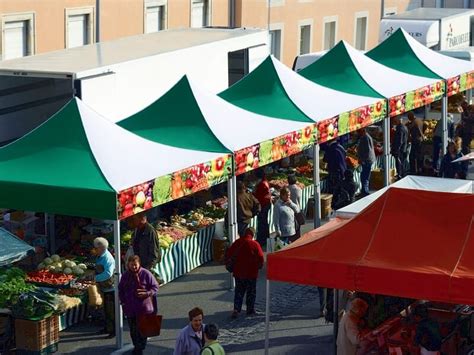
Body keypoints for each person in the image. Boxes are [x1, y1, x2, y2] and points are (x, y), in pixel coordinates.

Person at [118, 255, 159, 355]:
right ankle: (137, 346)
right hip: (130, 308)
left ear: (139, 264)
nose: (134, 267)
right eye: (132, 265)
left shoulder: (146, 274)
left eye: (135, 265)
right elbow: (121, 290)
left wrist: (147, 293)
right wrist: (123, 301)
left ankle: (140, 347)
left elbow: (155, 287)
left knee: (143, 329)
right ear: (128, 265)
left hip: (143, 308)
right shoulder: (125, 276)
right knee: (133, 330)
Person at [226, 228, 264, 319]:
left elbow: (229, 254)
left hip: (238, 272)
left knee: (239, 291)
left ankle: (236, 309)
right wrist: (259, 266)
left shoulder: (237, 243)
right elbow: (261, 258)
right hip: (251, 273)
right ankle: (250, 309)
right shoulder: (255, 244)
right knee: (251, 292)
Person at [93, 237, 116, 337]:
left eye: (96, 248)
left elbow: (108, 274)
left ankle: (113, 331)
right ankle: (107, 328)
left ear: (101, 248)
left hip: (110, 288)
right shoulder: (100, 256)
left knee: (111, 311)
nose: (94, 249)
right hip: (104, 287)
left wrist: (95, 278)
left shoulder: (107, 258)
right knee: (106, 310)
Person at [253, 170, 272, 248]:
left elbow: (258, 195)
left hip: (263, 205)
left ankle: (262, 239)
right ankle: (265, 237)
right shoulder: (265, 182)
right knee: (264, 222)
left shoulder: (262, 184)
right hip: (266, 204)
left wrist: (253, 192)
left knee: (262, 222)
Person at [356, 128, 375, 196]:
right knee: (364, 176)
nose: (358, 133)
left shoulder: (365, 138)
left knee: (365, 176)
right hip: (368, 160)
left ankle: (365, 191)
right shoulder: (366, 136)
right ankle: (364, 190)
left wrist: (363, 160)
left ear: (363, 131)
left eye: (359, 132)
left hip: (367, 160)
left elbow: (368, 151)